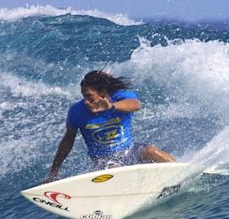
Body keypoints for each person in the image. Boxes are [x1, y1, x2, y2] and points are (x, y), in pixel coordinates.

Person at [44, 70, 175, 182]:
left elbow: (136, 105)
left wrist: (111, 107)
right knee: (115, 170)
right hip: (103, 161)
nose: (86, 101)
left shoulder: (121, 98)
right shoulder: (77, 112)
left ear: (102, 93)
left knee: (151, 151)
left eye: (89, 96)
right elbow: (67, 141)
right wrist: (54, 171)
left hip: (129, 151)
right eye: (83, 96)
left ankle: (180, 173)